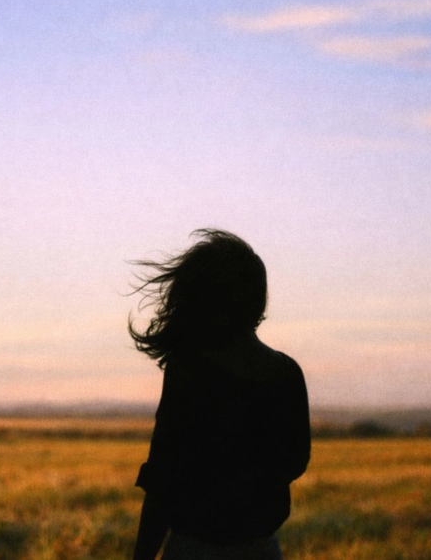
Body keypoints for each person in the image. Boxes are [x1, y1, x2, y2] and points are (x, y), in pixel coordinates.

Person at [129, 229, 310, 560]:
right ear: (257, 299)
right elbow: (295, 463)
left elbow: (164, 478)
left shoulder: (190, 369)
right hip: (263, 550)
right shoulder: (286, 373)